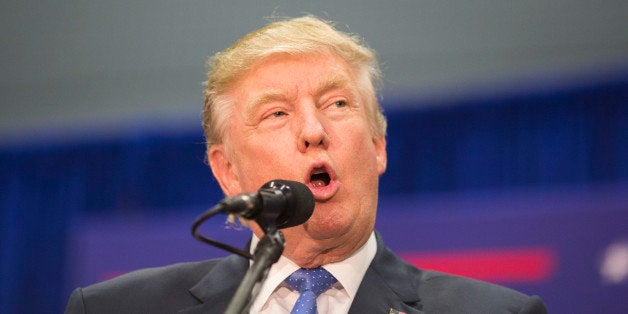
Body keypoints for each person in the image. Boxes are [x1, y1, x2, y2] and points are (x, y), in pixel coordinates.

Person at [65, 16, 547, 313]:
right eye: (277, 113)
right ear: (227, 171)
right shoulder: (116, 309)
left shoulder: (495, 313)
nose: (314, 130)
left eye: (337, 104)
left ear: (378, 145)